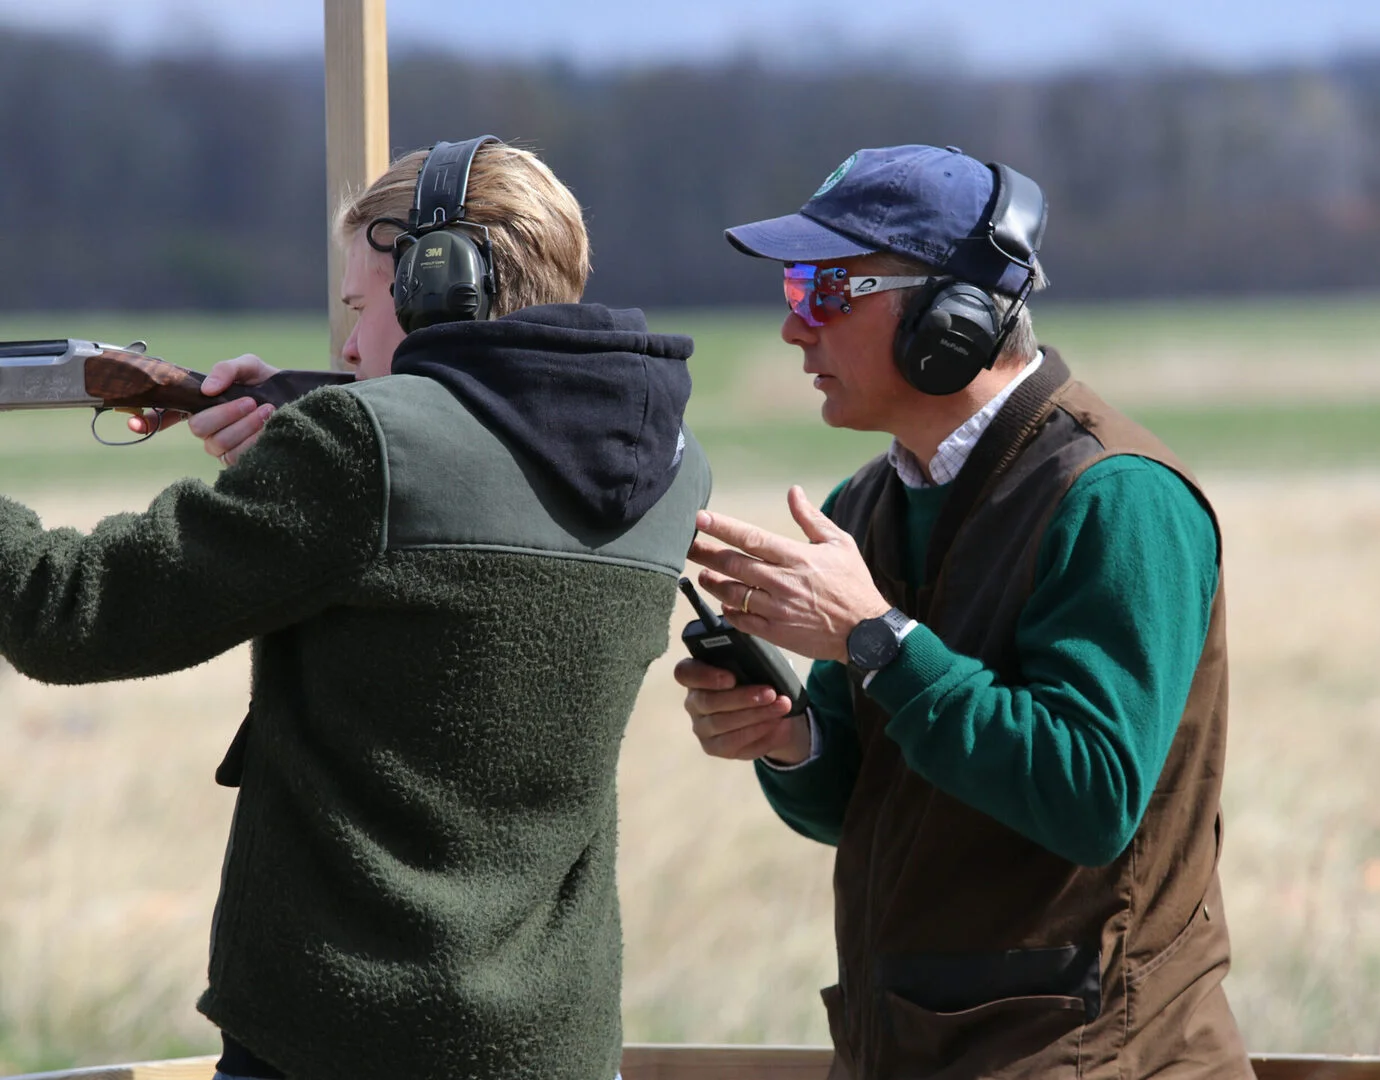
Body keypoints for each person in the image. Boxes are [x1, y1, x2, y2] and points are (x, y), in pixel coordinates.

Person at [1, 136, 711, 1080]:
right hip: (558, 1044)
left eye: (360, 306)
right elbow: (466, 471)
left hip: (341, 1041)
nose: (344, 344)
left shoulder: (357, 449)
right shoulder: (669, 466)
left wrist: (321, 440)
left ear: (438, 287)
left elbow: (68, 612)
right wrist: (301, 433)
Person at [674, 144, 1251, 1079]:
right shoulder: (868, 505)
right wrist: (791, 740)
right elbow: (868, 802)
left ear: (951, 319)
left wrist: (876, 639)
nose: (794, 329)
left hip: (1096, 1059)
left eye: (825, 289)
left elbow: (1091, 794)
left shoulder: (1117, 498)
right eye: (794, 290)